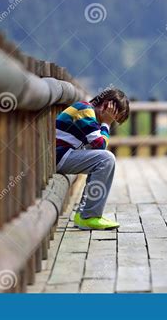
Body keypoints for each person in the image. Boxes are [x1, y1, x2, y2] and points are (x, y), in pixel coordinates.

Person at [55, 88, 130, 230]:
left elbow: (96, 147)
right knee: (106, 159)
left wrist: (105, 123)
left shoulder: (87, 112)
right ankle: (88, 216)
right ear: (107, 106)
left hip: (62, 155)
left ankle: (84, 213)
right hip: (60, 156)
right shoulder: (85, 110)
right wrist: (106, 123)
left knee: (103, 158)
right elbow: (101, 145)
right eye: (115, 116)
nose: (113, 121)